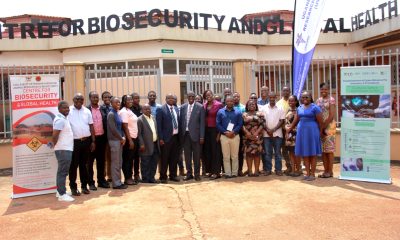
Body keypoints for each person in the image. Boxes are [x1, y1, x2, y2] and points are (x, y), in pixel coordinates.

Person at [287, 91, 323, 181]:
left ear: (310, 98)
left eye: (307, 97)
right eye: (303, 97)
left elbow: (320, 122)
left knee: (313, 154)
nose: (305, 99)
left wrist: (320, 132)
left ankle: (313, 174)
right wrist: (290, 128)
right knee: (305, 154)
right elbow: (296, 120)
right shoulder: (299, 108)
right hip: (302, 132)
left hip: (312, 132)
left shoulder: (315, 108)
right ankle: (307, 173)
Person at [67, 93, 96, 196]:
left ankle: (84, 186)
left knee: (84, 165)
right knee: (73, 166)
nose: (79, 101)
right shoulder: (68, 111)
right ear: (73, 100)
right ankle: (73, 187)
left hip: (86, 141)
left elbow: (91, 126)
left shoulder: (87, 111)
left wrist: (93, 141)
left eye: (81, 99)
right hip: (74, 142)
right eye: (77, 99)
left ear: (84, 101)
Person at [179, 91, 205, 181]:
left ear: (194, 97)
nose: (190, 98)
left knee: (197, 156)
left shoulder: (200, 107)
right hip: (185, 136)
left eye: (192, 96)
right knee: (187, 156)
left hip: (196, 136)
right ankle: (189, 173)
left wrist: (202, 136)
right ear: (187, 97)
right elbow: (181, 122)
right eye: (189, 96)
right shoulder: (182, 107)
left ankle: (197, 174)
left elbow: (202, 123)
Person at [52, 101, 75, 202]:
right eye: (64, 108)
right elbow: (55, 135)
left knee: (62, 171)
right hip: (63, 149)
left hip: (65, 148)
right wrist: (57, 145)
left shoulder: (63, 118)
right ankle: (62, 194)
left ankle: (60, 191)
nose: (67, 110)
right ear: (59, 109)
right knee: (63, 171)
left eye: (68, 108)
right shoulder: (60, 120)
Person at [156, 93, 181, 183]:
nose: (171, 99)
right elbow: (158, 126)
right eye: (169, 98)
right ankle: (163, 176)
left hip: (175, 137)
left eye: (172, 98)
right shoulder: (161, 109)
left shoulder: (176, 109)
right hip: (165, 139)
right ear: (166, 99)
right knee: (164, 158)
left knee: (174, 158)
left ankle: (173, 175)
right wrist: (161, 138)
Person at [216, 95, 243, 178]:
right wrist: (225, 132)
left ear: (233, 102)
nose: (230, 102)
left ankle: (234, 173)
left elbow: (240, 124)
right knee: (226, 156)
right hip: (224, 136)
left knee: (235, 156)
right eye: (228, 101)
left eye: (231, 101)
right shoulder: (220, 111)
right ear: (225, 102)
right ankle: (227, 173)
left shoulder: (238, 111)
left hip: (235, 136)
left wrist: (233, 132)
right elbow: (218, 124)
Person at [87, 91, 109, 190]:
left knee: (101, 161)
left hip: (102, 139)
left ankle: (101, 181)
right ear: (90, 98)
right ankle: (91, 183)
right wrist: (92, 140)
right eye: (93, 97)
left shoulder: (102, 109)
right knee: (90, 162)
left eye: (97, 97)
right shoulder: (86, 110)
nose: (95, 99)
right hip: (91, 140)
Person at [261, 92, 285, 176]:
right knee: (268, 153)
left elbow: (282, 121)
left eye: (273, 97)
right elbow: (262, 120)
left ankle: (278, 169)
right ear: (268, 97)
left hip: (278, 134)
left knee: (278, 153)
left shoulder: (280, 108)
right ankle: (268, 169)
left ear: (276, 97)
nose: (271, 99)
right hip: (266, 135)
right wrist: (267, 130)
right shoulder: (264, 108)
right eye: (270, 97)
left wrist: (273, 130)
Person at [316, 83, 336, 178]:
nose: (324, 91)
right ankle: (325, 171)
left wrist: (324, 126)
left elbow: (331, 115)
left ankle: (330, 171)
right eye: (322, 89)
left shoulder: (331, 100)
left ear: (328, 90)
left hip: (329, 127)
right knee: (323, 150)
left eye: (326, 89)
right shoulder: (318, 101)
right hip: (321, 127)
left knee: (330, 150)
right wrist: (320, 127)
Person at [107, 97, 128, 189]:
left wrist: (123, 137)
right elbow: (113, 129)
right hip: (114, 141)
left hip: (119, 140)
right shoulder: (111, 114)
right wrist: (121, 138)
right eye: (116, 102)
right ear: (111, 103)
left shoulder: (117, 113)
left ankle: (119, 181)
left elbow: (120, 127)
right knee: (115, 163)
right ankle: (116, 183)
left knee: (119, 162)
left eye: (119, 102)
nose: (118, 104)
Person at [203, 90, 224, 179]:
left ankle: (217, 172)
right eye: (206, 95)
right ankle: (211, 171)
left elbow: (221, 120)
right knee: (208, 151)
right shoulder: (204, 105)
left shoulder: (218, 105)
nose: (208, 96)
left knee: (216, 151)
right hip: (206, 130)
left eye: (210, 94)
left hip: (215, 130)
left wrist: (219, 133)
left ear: (213, 95)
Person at [137, 104, 160, 183]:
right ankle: (145, 179)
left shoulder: (153, 118)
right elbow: (139, 134)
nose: (147, 110)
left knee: (154, 162)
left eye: (149, 109)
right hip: (145, 145)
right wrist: (141, 144)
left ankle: (152, 178)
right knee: (145, 163)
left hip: (155, 144)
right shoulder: (139, 120)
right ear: (142, 110)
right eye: (145, 109)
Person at [242, 100, 264, 177]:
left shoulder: (260, 113)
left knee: (257, 154)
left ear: (256, 105)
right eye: (250, 104)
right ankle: (250, 171)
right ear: (247, 106)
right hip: (247, 137)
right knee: (249, 154)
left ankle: (256, 171)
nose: (252, 105)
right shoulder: (244, 114)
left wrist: (256, 132)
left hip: (257, 137)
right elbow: (242, 125)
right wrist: (247, 133)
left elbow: (262, 124)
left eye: (253, 104)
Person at [120, 95, 138, 185]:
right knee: (127, 159)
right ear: (124, 101)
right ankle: (127, 178)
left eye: (131, 99)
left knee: (130, 159)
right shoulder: (123, 112)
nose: (130, 101)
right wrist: (130, 140)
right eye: (128, 100)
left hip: (134, 138)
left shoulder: (129, 110)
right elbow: (125, 127)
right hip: (128, 139)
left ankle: (129, 177)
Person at [284, 95, 302, 177]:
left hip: (296, 134)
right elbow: (286, 122)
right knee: (291, 152)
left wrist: (291, 129)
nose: (291, 102)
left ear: (296, 101)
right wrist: (286, 129)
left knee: (297, 153)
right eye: (289, 101)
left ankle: (298, 170)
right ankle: (293, 170)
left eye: (292, 101)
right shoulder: (288, 110)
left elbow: (299, 123)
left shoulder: (299, 110)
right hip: (288, 134)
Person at [277, 86, 292, 175]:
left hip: (293, 130)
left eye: (287, 90)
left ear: (290, 91)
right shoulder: (279, 103)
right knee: (284, 149)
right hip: (283, 130)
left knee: (293, 149)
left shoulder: (293, 101)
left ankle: (295, 166)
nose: (286, 92)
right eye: (284, 90)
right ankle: (289, 166)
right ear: (282, 92)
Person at [100, 91, 113, 182]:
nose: (107, 99)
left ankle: (110, 176)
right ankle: (103, 176)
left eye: (109, 97)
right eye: (105, 97)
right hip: (103, 136)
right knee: (103, 157)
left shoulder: (113, 108)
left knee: (111, 157)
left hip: (112, 136)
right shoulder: (100, 109)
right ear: (102, 98)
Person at [232, 92, 246, 176]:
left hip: (240, 132)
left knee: (240, 152)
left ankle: (239, 169)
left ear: (239, 98)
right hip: (231, 131)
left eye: (238, 96)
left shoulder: (243, 108)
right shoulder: (229, 106)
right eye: (234, 96)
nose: (236, 98)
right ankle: (233, 169)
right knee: (232, 152)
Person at [130, 92, 142, 183]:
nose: (137, 100)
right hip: (131, 136)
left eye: (138, 98)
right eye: (135, 98)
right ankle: (129, 175)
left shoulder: (141, 108)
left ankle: (137, 175)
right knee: (131, 157)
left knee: (137, 157)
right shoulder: (129, 109)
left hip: (139, 135)